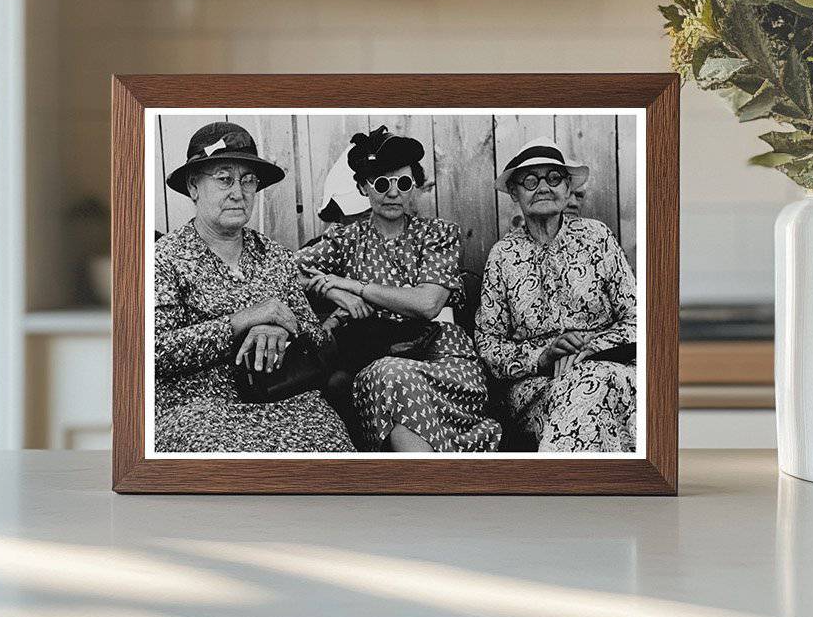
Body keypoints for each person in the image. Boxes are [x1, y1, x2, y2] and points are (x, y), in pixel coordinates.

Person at [153, 121, 354, 453]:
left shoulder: (273, 255)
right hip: (198, 411)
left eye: (248, 180)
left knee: (332, 446)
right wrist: (244, 320)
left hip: (284, 399)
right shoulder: (165, 259)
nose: (238, 192)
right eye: (224, 179)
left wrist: (282, 327)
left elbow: (318, 338)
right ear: (193, 187)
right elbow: (156, 352)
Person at [297, 125, 500, 452]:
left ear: (414, 187)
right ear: (364, 187)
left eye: (403, 183)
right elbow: (284, 270)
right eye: (381, 183)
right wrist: (332, 292)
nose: (393, 193)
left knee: (395, 378)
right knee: (391, 376)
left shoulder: (438, 234)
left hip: (441, 355)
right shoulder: (346, 239)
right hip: (375, 358)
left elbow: (427, 304)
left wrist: (355, 286)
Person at [475, 137, 636, 452]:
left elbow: (637, 317)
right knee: (586, 394)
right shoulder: (503, 255)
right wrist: (543, 356)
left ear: (567, 188)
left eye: (554, 178)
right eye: (531, 181)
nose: (544, 187)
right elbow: (488, 345)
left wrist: (588, 349)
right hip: (537, 386)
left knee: (597, 382)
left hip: (609, 367)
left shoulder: (597, 238)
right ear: (515, 193)